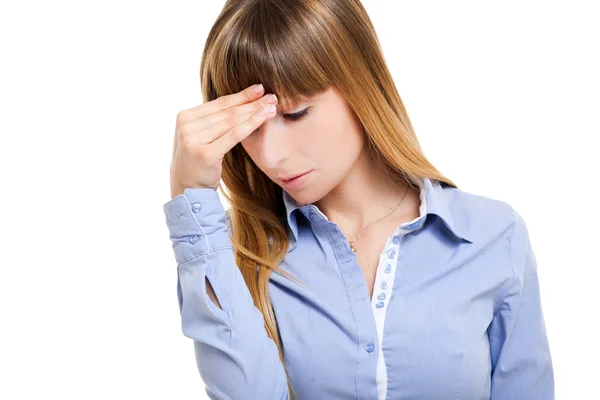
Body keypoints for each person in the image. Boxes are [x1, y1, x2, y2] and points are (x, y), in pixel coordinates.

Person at [163, 0, 554, 398]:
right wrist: (190, 199)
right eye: (249, 128)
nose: (270, 155)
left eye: (295, 114)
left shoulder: (492, 236)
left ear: (360, 84)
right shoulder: (228, 251)